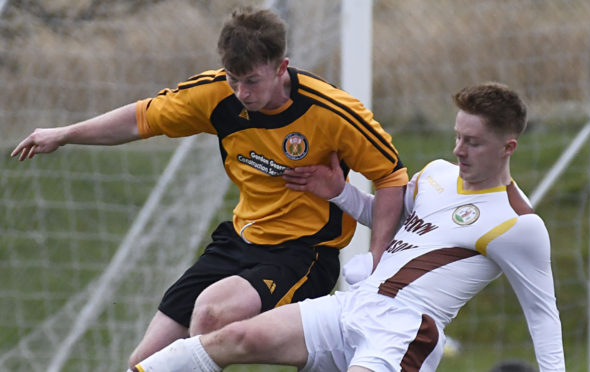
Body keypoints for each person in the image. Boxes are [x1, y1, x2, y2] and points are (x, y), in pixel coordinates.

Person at [10, 7, 408, 367]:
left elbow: (391, 176)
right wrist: (64, 134)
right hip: (238, 241)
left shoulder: (333, 112)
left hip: (304, 253)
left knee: (212, 313)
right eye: (234, 80)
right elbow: (140, 119)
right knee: (146, 362)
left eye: (252, 81)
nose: (242, 93)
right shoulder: (217, 94)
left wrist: (376, 264)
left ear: (281, 67)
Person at [129, 82, 566, 372]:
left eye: (473, 142)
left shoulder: (518, 223)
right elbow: (388, 217)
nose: (458, 150)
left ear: (508, 147)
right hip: (352, 304)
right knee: (234, 336)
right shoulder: (436, 173)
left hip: (403, 329)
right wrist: (339, 191)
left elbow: (543, 315)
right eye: (457, 137)